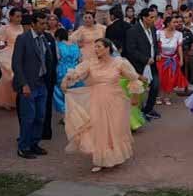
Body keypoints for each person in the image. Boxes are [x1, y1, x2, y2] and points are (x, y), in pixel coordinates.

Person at [62, 38, 144, 172]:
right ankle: (101, 158)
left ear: (107, 48)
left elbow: (133, 78)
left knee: (115, 129)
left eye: (99, 47)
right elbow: (77, 72)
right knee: (99, 128)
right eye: (95, 47)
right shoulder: (90, 63)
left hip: (115, 100)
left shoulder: (120, 62)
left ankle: (116, 156)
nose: (96, 49)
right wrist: (66, 80)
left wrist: (135, 96)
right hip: (96, 98)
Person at [12, 12, 53, 159]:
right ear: (33, 24)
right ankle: (23, 146)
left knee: (40, 116)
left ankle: (34, 143)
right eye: (41, 23)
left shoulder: (44, 38)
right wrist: (23, 84)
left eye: (45, 23)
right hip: (28, 84)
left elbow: (48, 59)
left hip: (42, 83)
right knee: (28, 117)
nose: (44, 26)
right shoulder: (23, 39)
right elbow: (16, 64)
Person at [124, 7, 160, 119]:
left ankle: (148, 109)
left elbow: (154, 44)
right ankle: (137, 113)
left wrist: (157, 53)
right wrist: (144, 59)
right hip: (138, 66)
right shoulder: (133, 31)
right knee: (139, 90)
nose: (154, 19)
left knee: (155, 85)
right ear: (144, 18)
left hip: (152, 64)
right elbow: (130, 50)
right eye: (151, 17)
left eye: (155, 17)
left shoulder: (153, 28)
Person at [0, 7, 23, 110]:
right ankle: (7, 100)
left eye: (20, 16)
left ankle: (16, 100)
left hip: (21, 52)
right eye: (17, 16)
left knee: (18, 76)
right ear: (11, 17)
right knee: (10, 76)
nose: (19, 19)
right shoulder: (5, 28)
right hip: (10, 53)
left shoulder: (22, 27)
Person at [156, 16, 188, 106]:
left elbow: (179, 47)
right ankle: (158, 96)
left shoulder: (179, 34)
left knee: (170, 78)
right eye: (174, 22)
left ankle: (167, 97)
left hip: (173, 59)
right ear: (168, 23)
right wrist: (157, 53)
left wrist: (181, 59)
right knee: (160, 78)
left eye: (177, 22)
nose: (176, 24)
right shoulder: (159, 32)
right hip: (161, 59)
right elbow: (155, 45)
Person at [53, 28, 81, 115]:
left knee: (60, 91)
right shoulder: (75, 45)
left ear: (57, 37)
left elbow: (57, 58)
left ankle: (65, 111)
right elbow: (80, 59)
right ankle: (75, 111)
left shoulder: (58, 45)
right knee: (75, 90)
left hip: (62, 69)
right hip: (74, 69)